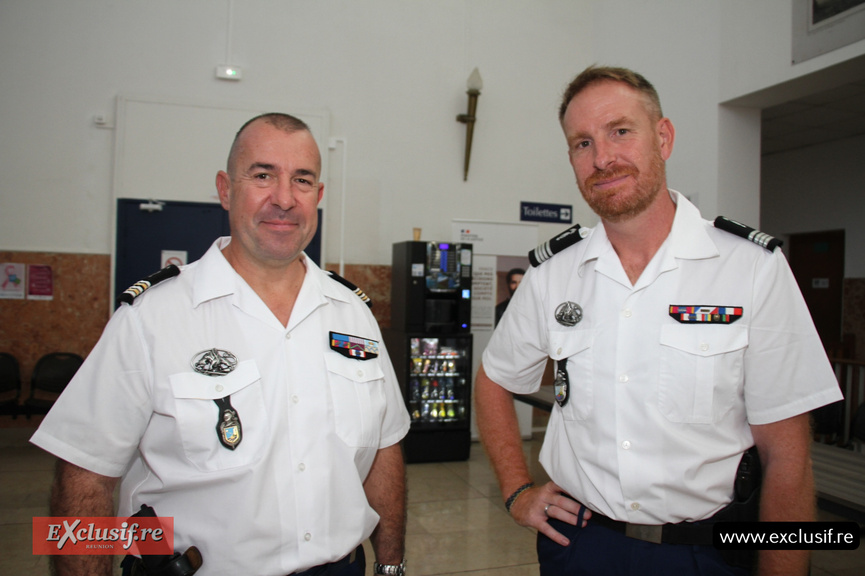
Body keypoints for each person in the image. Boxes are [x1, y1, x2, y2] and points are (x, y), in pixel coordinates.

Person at [474, 66, 843, 576]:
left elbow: (788, 459)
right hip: (581, 547)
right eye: (582, 143)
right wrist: (517, 491)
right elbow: (494, 379)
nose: (602, 158)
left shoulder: (750, 268)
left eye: (620, 131)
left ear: (663, 138)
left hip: (706, 552)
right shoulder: (552, 275)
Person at [31, 113, 411, 576]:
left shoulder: (354, 313)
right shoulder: (151, 317)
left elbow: (385, 447)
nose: (284, 199)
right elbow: (83, 473)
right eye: (263, 175)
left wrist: (391, 566)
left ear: (319, 196)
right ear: (225, 190)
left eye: (303, 180)